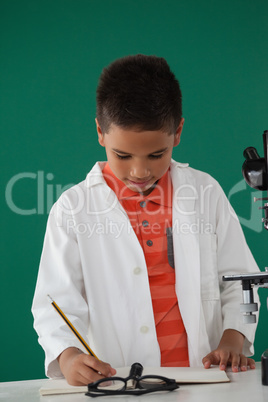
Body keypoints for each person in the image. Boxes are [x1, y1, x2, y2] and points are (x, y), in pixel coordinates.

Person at [32, 54, 260, 386]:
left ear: (178, 132)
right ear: (100, 132)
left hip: (206, 380)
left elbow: (240, 280)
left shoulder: (205, 192)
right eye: (123, 156)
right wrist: (67, 356)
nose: (140, 172)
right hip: (122, 383)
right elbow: (54, 303)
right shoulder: (73, 208)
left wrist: (233, 339)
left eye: (157, 154)